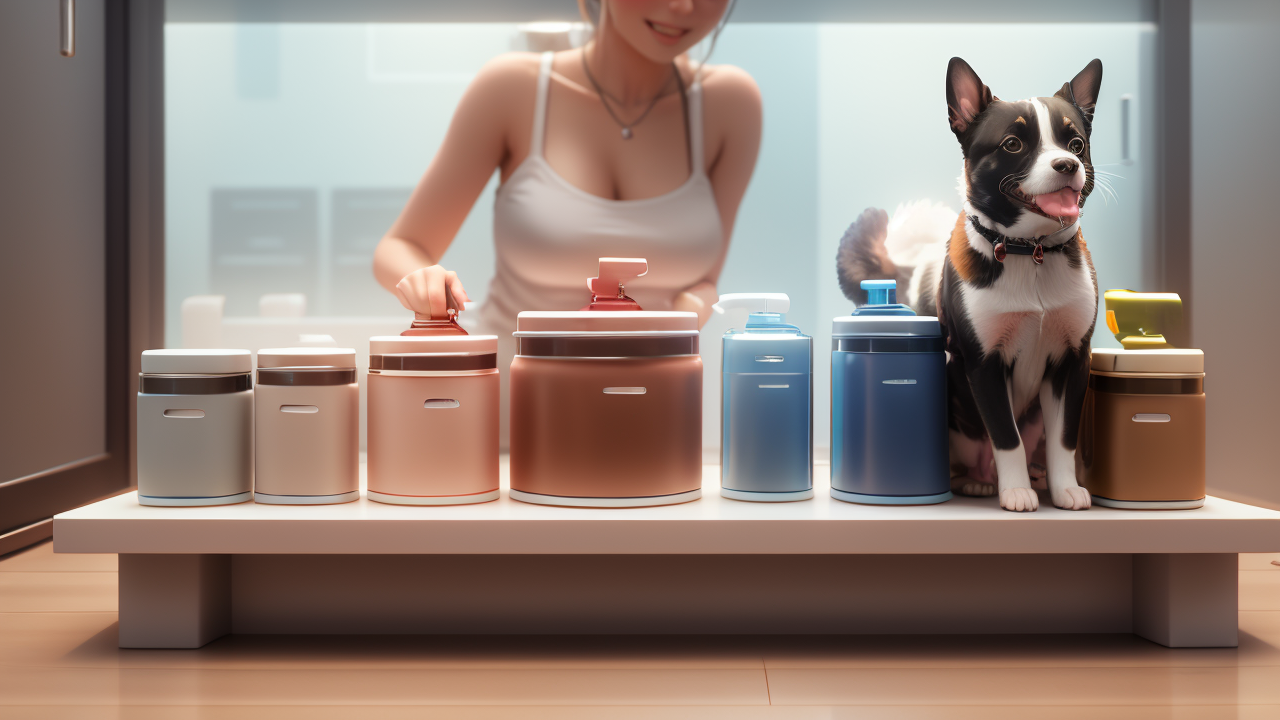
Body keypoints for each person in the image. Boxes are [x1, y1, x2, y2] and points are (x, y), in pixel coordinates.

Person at [373, 0, 762, 442]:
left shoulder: (731, 103)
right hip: (511, 421)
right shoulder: (512, 88)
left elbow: (706, 279)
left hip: (652, 411)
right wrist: (424, 281)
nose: (682, 6)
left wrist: (688, 311)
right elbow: (400, 245)